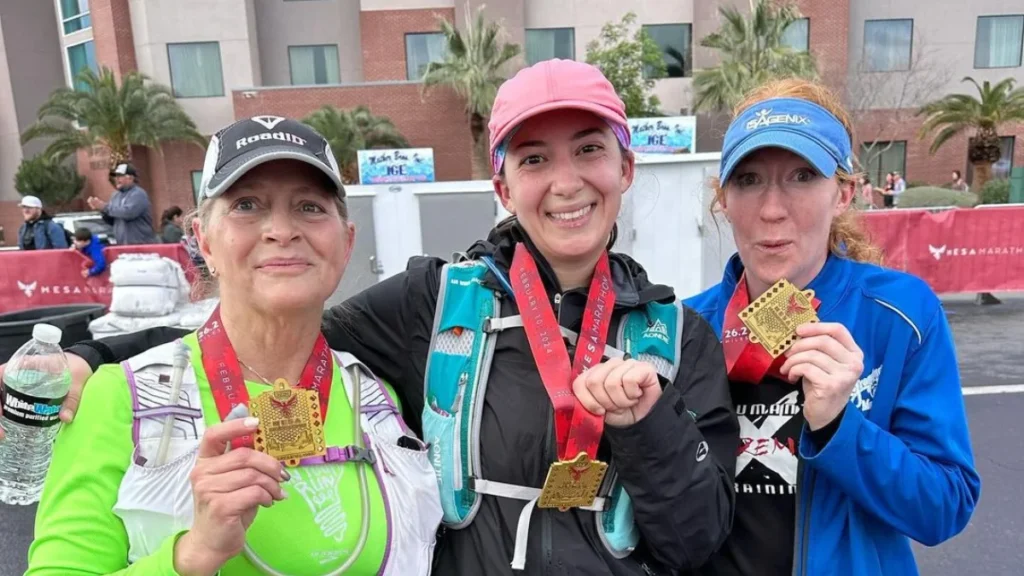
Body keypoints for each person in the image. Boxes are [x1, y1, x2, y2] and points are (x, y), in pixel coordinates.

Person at [15, 59, 738, 575]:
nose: (567, 182)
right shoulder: (436, 303)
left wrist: (648, 428)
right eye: (535, 158)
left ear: (626, 169)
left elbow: (697, 543)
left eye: (589, 151)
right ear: (502, 185)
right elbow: (276, 330)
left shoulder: (681, 338)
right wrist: (100, 357)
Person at [25, 116, 443, 575]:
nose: (282, 230)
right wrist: (193, 555)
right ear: (202, 239)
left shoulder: (383, 397)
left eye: (310, 207)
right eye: (247, 205)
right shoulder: (115, 399)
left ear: (345, 243)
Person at [684, 78, 981, 576]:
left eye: (802, 176)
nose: (772, 209)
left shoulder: (900, 314)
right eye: (748, 179)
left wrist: (841, 426)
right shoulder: (689, 327)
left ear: (842, 193)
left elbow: (944, 507)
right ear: (724, 200)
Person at [87, 163, 159, 245]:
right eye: (115, 176)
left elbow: (128, 213)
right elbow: (112, 220)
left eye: (120, 176)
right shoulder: (115, 195)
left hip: (140, 244)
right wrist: (101, 210)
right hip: (122, 244)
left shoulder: (138, 194)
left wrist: (104, 207)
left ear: (131, 178)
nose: (116, 179)